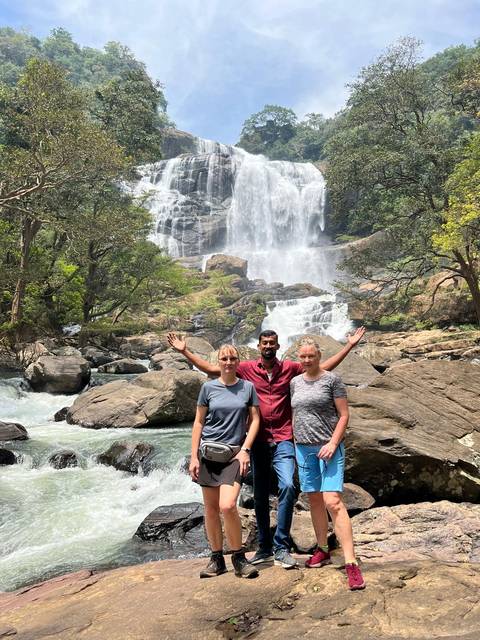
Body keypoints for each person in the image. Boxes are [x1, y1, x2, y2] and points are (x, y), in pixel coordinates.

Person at [168, 326, 365, 570]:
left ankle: (281, 547)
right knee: (260, 494)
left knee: (288, 486)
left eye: (272, 343)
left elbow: (322, 368)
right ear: (258, 347)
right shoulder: (246, 369)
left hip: (284, 438)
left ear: (278, 346)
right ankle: (263, 547)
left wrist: (349, 346)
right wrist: (185, 351)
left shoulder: (291, 369)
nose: (268, 346)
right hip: (258, 441)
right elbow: (213, 370)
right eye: (265, 343)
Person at [290, 337, 365, 590]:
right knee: (313, 499)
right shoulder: (295, 382)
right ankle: (322, 549)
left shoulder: (332, 380)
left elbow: (344, 415)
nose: (307, 359)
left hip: (329, 448)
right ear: (298, 358)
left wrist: (333, 443)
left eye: (311, 355)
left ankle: (351, 563)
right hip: (304, 448)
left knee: (332, 501)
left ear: (319, 356)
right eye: (303, 356)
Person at [191, 343, 261, 579]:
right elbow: (199, 423)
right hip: (208, 453)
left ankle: (239, 557)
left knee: (228, 505)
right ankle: (216, 559)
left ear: (238, 362)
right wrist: (193, 456)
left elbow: (255, 421)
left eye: (233, 358)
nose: (229, 362)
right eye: (224, 359)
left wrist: (245, 450)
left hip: (234, 455)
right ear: (218, 362)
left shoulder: (247, 388)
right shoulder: (208, 388)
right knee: (210, 509)